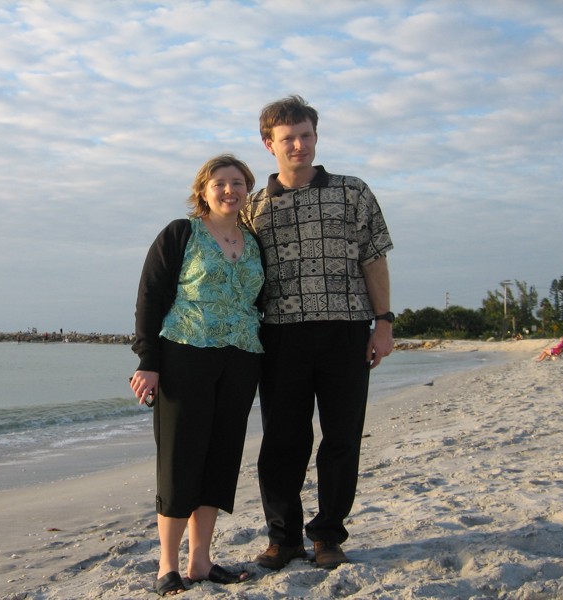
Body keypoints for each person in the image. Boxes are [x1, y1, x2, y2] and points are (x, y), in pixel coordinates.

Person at [239, 95, 395, 570]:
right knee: (283, 440)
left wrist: (383, 322)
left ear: (315, 136)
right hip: (280, 336)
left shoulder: (353, 192)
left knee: (342, 437)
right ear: (269, 144)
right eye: (288, 138)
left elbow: (373, 257)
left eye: (306, 135)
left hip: (346, 330)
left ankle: (328, 534)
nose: (299, 145)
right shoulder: (254, 207)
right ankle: (283, 538)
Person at [130, 154, 264, 596]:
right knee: (179, 458)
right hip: (184, 355)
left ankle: (201, 561)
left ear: (248, 189)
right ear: (203, 190)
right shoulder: (180, 233)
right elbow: (150, 296)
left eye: (238, 183)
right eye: (220, 183)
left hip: (241, 358)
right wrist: (148, 361)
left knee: (220, 458)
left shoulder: (253, 240)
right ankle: (168, 565)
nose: (230, 190)